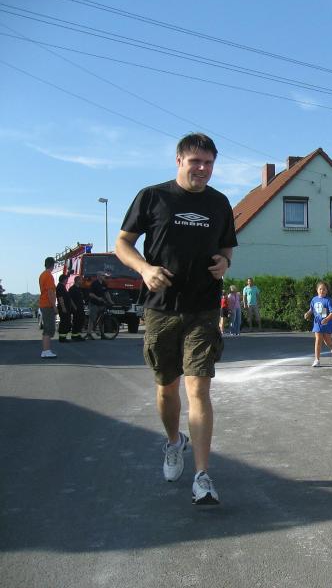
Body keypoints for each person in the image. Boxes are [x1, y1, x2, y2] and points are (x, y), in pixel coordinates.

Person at [115, 132, 237, 506]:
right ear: (179, 160)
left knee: (198, 388)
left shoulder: (219, 203)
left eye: (209, 163)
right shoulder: (153, 196)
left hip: (204, 306)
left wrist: (225, 262)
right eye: (195, 161)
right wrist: (144, 269)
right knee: (167, 386)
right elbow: (122, 243)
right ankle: (173, 441)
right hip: (161, 306)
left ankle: (202, 476)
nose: (202, 169)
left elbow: (227, 246)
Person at [303, 280, 332, 367]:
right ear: (317, 290)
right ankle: (317, 360)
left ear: (327, 291)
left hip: (327, 323)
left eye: (324, 289)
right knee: (318, 340)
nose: (322, 291)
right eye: (320, 289)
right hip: (317, 323)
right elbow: (311, 309)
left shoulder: (328, 300)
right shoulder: (314, 299)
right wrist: (308, 313)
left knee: (327, 341)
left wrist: (327, 319)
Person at [38, 256, 57, 359]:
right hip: (47, 305)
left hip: (44, 304)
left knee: (48, 328)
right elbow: (50, 292)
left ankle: (46, 350)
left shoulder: (42, 275)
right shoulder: (48, 275)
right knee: (49, 329)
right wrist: (54, 306)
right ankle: (46, 351)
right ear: (53, 265)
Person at [86, 272, 113, 339]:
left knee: (101, 319)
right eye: (103, 275)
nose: (104, 276)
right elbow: (90, 294)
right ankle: (89, 334)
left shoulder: (104, 283)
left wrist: (110, 301)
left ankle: (102, 335)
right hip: (94, 304)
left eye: (104, 275)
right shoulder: (94, 284)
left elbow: (107, 293)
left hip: (102, 304)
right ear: (98, 276)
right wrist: (98, 298)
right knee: (92, 319)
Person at [68, 274, 86, 342]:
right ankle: (74, 336)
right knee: (76, 321)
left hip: (81, 307)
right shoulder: (72, 289)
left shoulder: (79, 288)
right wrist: (74, 306)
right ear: (77, 280)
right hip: (76, 308)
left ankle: (77, 335)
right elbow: (70, 299)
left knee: (81, 321)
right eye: (81, 280)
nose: (82, 281)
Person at [56, 273, 72, 343]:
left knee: (66, 322)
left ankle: (63, 337)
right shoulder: (60, 287)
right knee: (64, 322)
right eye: (66, 279)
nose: (67, 281)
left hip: (65, 307)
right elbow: (60, 298)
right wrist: (63, 307)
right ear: (64, 280)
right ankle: (62, 338)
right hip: (63, 308)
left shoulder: (62, 286)